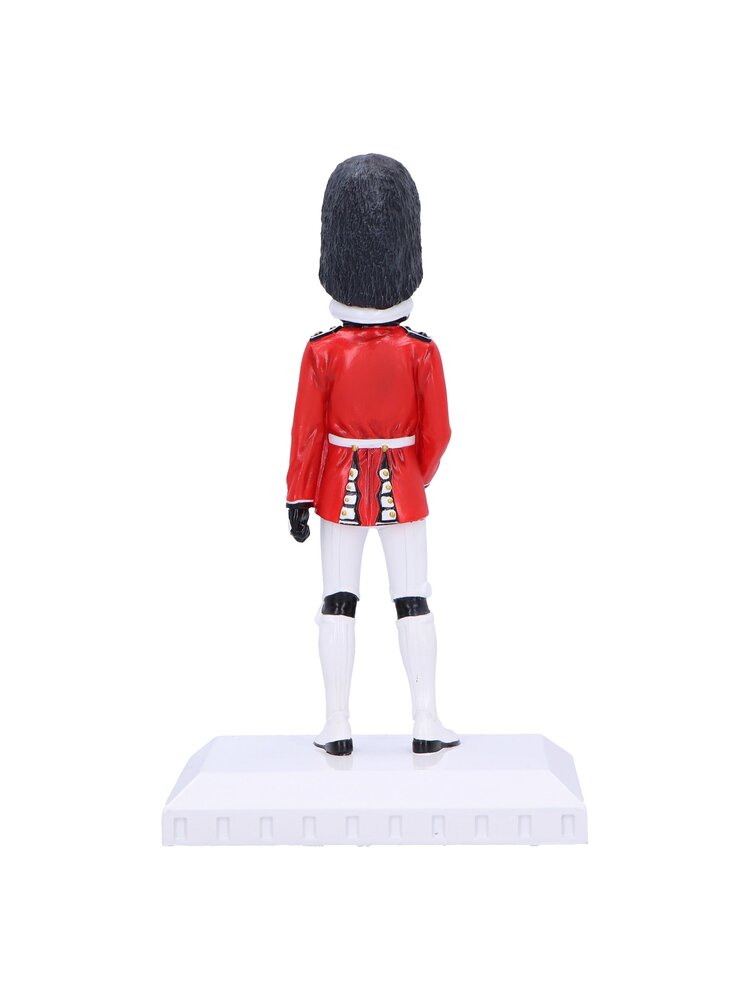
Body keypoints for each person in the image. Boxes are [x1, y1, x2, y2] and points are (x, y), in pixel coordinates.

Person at [286, 154, 459, 756]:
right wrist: (413, 476)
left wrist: (299, 495)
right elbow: (438, 433)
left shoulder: (322, 351)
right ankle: (426, 720)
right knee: (413, 601)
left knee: (338, 603)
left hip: (336, 488)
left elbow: (307, 434)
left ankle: (337, 723)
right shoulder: (420, 351)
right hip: (403, 487)